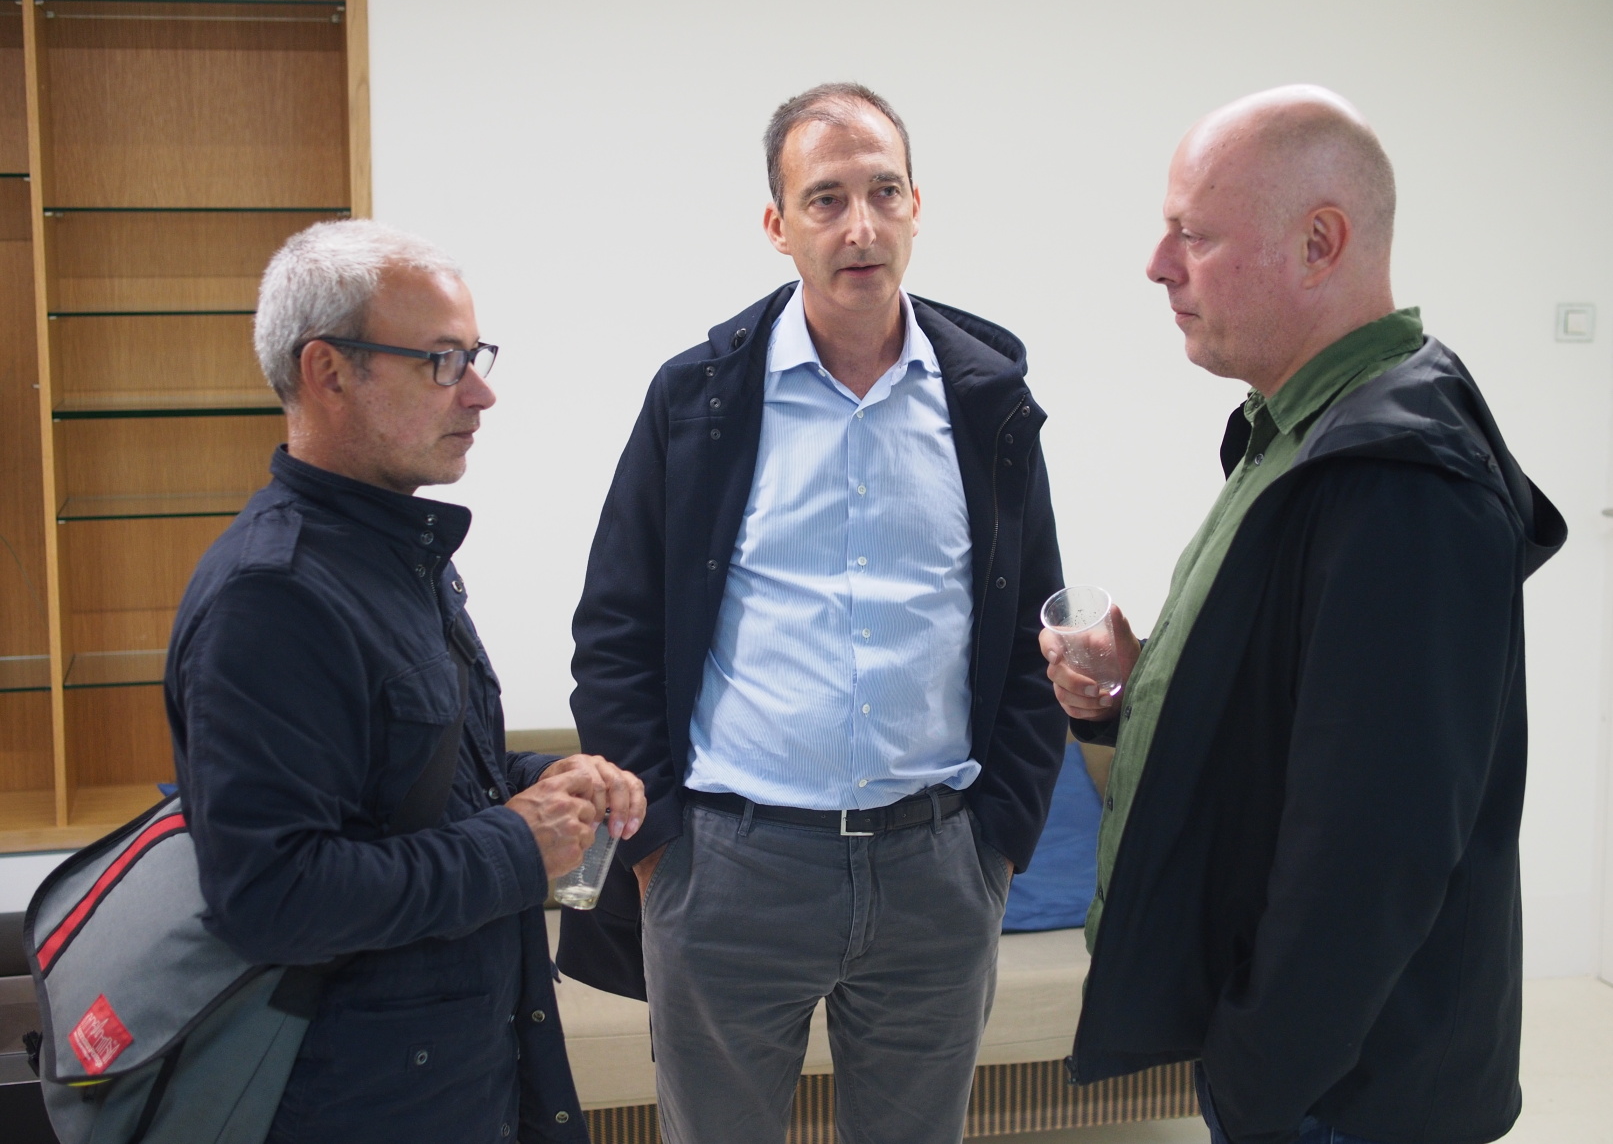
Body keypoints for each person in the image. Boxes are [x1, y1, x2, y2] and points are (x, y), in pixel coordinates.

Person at [1048, 86, 1567, 1144]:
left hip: (1341, 1098)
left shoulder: (1396, 482)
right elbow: (1291, 733)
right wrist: (1129, 693)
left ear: (1318, 242)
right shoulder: (1300, 431)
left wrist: (1254, 1078)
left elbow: (1371, 849)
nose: (1157, 265)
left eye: (1193, 234)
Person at [562, 83, 1068, 1144]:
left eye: (883, 192)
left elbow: (1035, 632)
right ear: (777, 224)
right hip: (731, 869)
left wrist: (1000, 844)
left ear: (916, 206)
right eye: (825, 198)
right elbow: (614, 632)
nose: (860, 227)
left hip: (936, 867)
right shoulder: (696, 400)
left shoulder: (986, 403)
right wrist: (659, 850)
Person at [165, 219, 646, 1144]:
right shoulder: (272, 595)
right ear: (328, 371)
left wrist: (541, 781)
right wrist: (516, 845)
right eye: (441, 361)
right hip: (359, 1103)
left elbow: (409, 780)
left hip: (456, 1074)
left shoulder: (392, 555)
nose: (481, 391)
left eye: (475, 356)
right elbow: (270, 897)